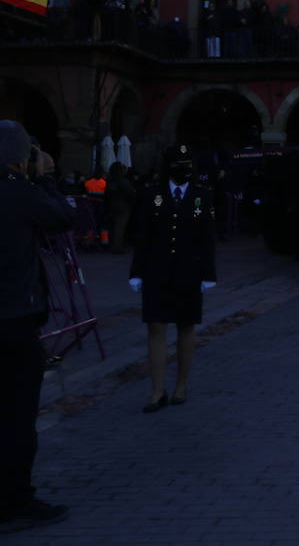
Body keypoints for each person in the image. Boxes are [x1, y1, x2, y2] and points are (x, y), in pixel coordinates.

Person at [0, 123, 73, 536]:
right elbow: (63, 217)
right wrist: (47, 178)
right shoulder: (20, 194)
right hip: (13, 322)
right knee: (17, 417)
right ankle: (15, 502)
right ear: (21, 158)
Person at [129, 145, 218, 413]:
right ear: (168, 166)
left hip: (188, 270)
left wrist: (208, 273)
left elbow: (207, 237)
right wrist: (136, 271)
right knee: (156, 327)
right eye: (179, 163)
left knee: (186, 327)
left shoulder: (202, 196)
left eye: (187, 163)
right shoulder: (152, 194)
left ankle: (181, 385)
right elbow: (142, 235)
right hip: (157, 269)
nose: (184, 168)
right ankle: (157, 391)